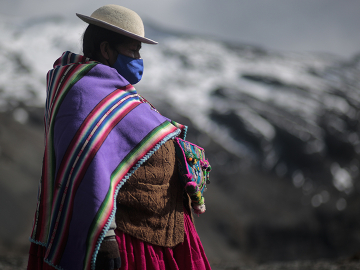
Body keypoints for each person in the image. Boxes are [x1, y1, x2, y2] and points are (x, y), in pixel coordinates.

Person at [27, 4, 211, 270]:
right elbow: (89, 169)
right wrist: (106, 234)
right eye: (132, 50)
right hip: (127, 237)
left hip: (155, 230)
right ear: (106, 49)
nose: (138, 58)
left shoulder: (114, 93)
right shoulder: (84, 94)